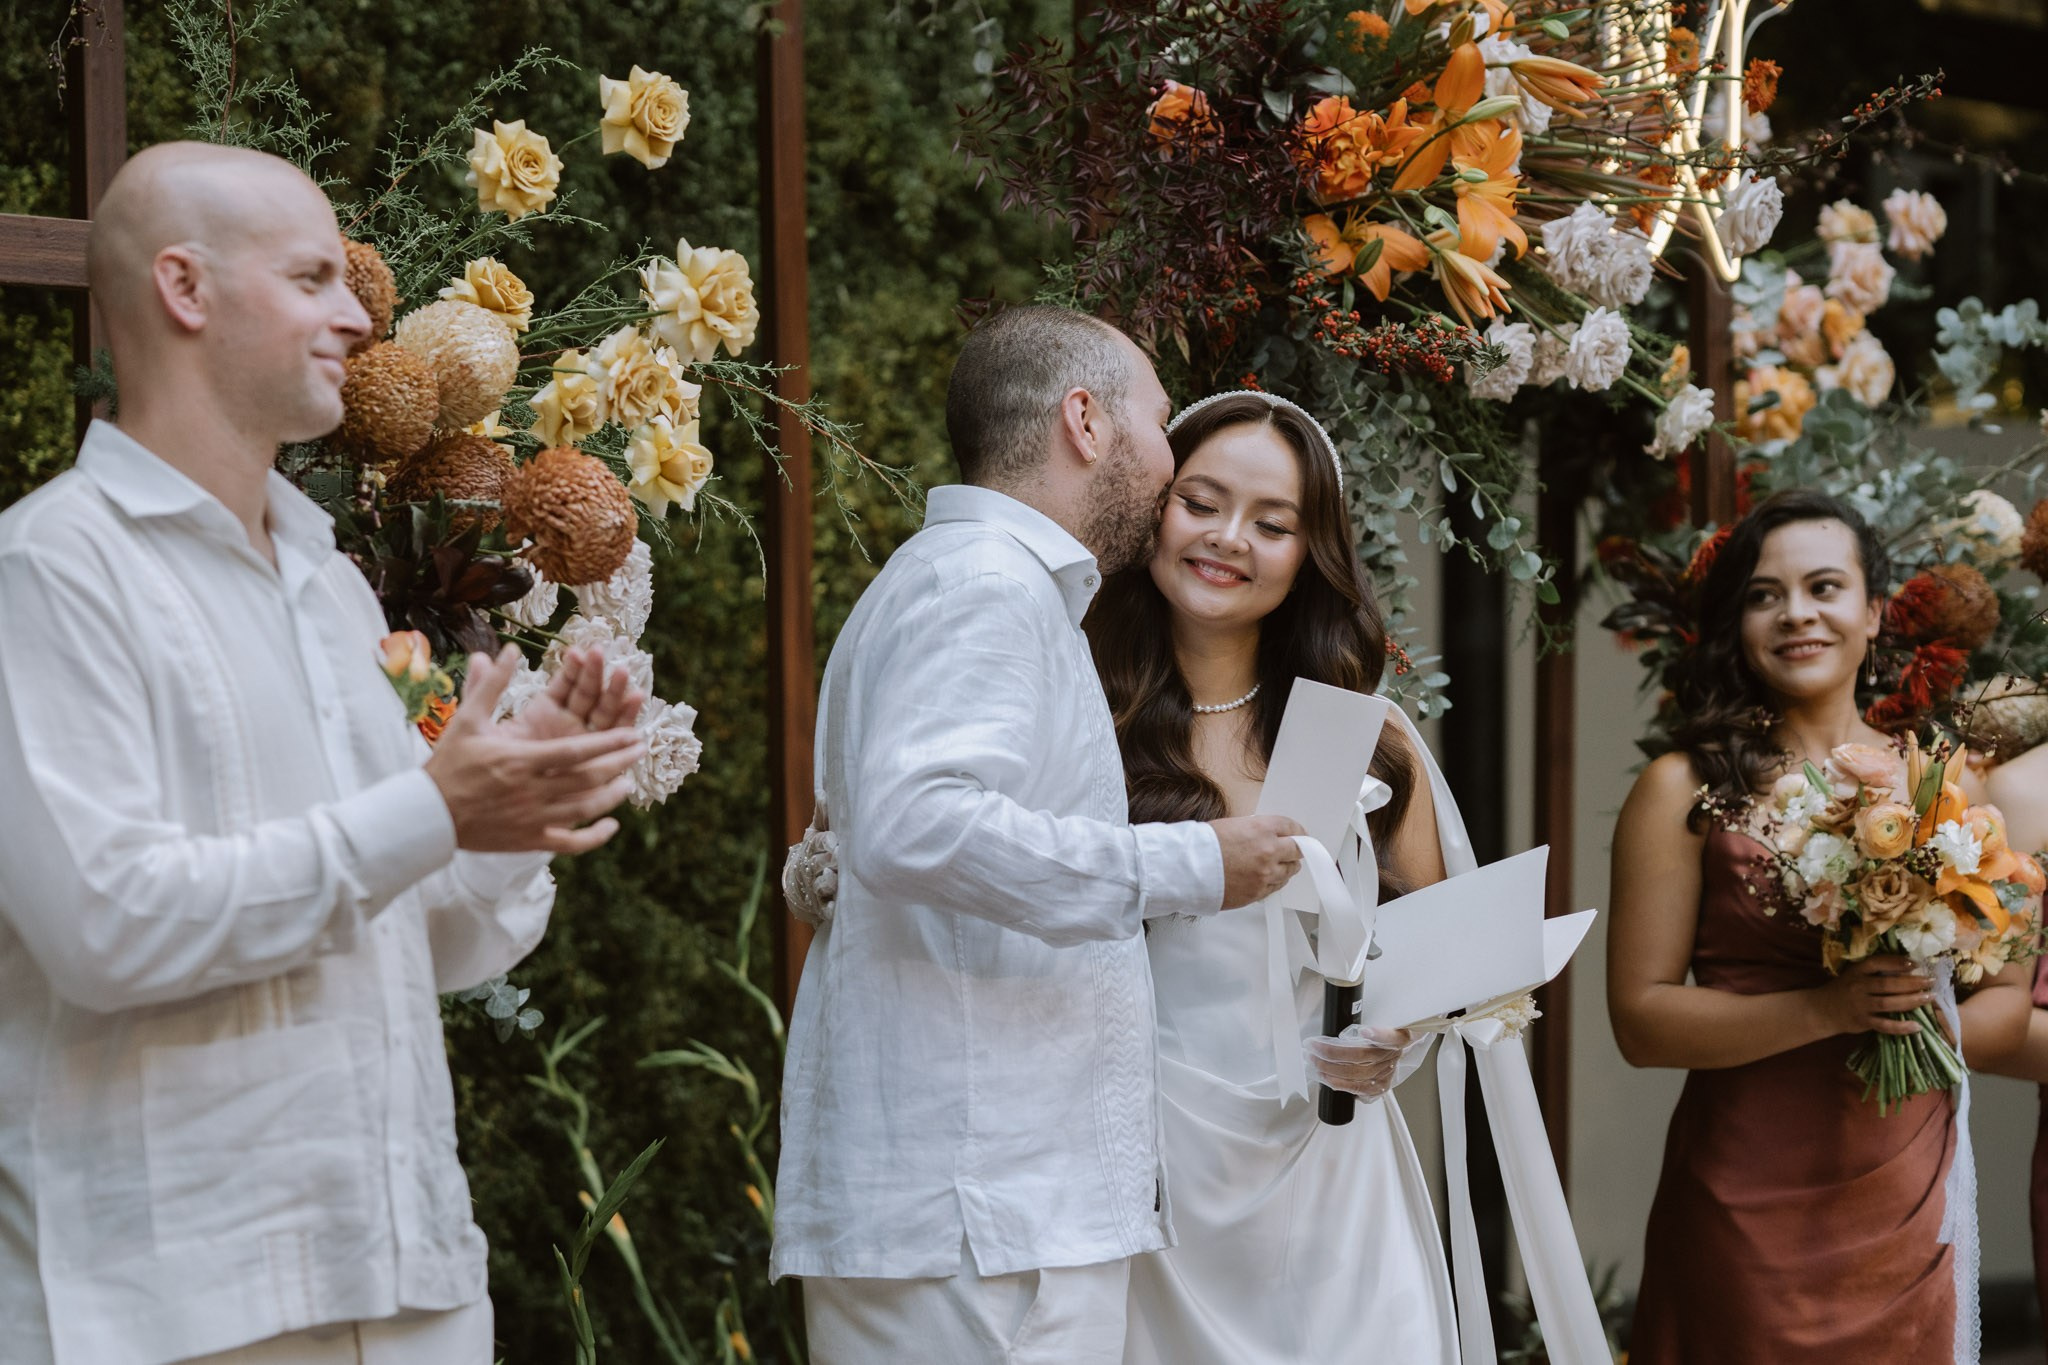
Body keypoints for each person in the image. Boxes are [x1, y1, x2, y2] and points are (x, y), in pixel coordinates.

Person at [0, 142, 647, 1365]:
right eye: (313, 279)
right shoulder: (48, 576)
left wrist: (513, 804)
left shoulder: (355, 607)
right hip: (175, 1307)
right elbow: (105, 925)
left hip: (410, 1284)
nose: (359, 317)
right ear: (184, 290)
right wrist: (434, 812)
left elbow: (442, 932)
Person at [769, 306, 1308, 1365]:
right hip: (984, 1219)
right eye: (1157, 426)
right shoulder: (985, 590)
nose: (1166, 466)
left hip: (976, 1212)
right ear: (1084, 421)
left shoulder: (954, 582)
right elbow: (920, 826)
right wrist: (1194, 864)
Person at [1608, 488, 2030, 1363]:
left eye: (1824, 587)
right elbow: (1641, 1021)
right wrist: (1827, 1009)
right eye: (1765, 594)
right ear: (1739, 620)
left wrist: (1919, 1008)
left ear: (1875, 613)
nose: (1796, 612)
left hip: (1904, 1192)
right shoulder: (1683, 789)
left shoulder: (1948, 785)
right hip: (1743, 1200)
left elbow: (2003, 1009)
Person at [1084, 390, 1461, 1365]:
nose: (1227, 539)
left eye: (1272, 522)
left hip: (1325, 1178)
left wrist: (1391, 1040)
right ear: (1151, 511)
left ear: (1310, 554)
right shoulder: (1083, 715)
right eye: (1200, 502)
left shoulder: (1357, 738)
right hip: (1142, 1181)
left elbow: (1423, 954)